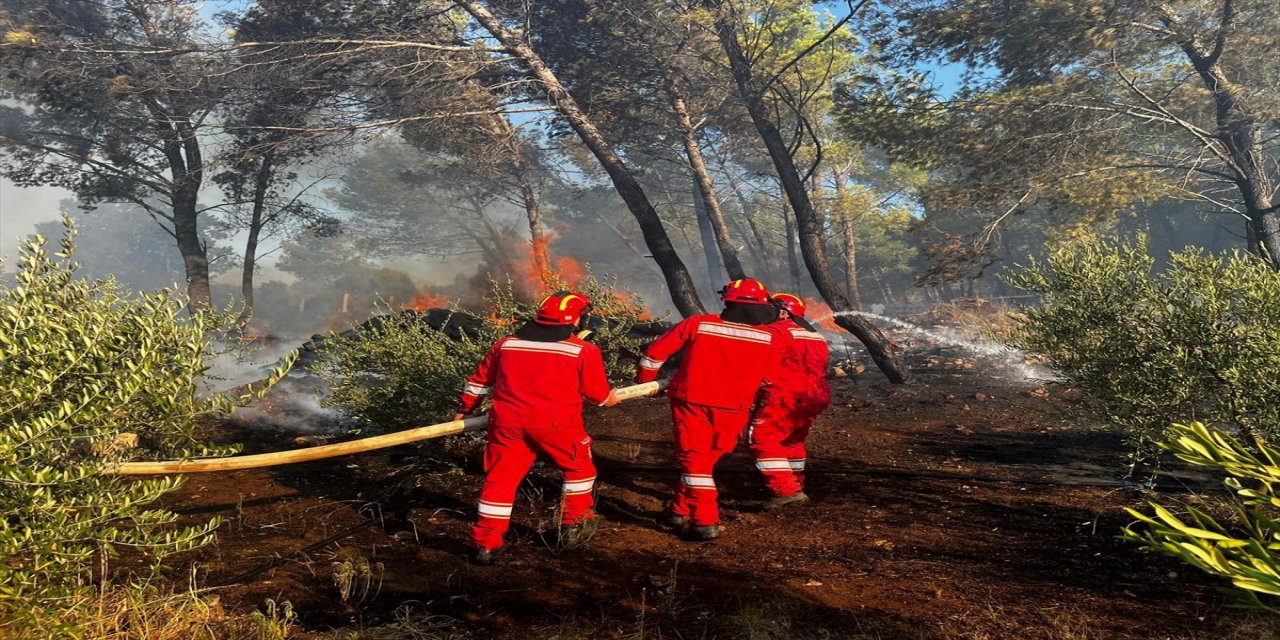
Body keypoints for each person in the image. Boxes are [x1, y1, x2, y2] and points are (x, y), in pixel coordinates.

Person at [454, 291, 620, 564]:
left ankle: (485, 543)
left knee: (500, 479)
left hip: (507, 424)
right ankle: (574, 525)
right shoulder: (583, 350)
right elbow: (598, 396)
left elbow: (478, 382)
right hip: (557, 425)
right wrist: (609, 398)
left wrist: (463, 411)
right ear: (577, 319)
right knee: (579, 469)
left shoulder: (506, 344)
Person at [635, 278, 791, 541]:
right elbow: (768, 378)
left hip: (692, 402)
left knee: (695, 462)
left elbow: (654, 354)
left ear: (727, 300)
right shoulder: (770, 336)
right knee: (704, 461)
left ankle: (705, 521)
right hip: (735, 407)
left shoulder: (698, 323)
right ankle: (678, 510)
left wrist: (645, 382)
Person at [747, 293, 831, 507]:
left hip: (783, 395)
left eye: (770, 309)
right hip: (814, 396)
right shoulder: (816, 336)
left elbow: (763, 369)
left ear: (783, 312)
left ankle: (786, 490)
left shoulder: (774, 332)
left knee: (762, 438)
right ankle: (796, 482)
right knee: (792, 440)